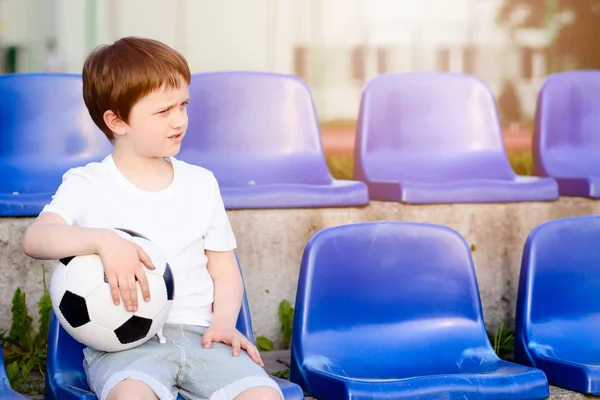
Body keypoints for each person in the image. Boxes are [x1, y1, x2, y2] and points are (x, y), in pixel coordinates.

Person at [22, 37, 283, 400]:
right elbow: (35, 239)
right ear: (117, 120)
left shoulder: (201, 183)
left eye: (183, 105)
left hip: (203, 338)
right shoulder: (87, 184)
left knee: (264, 396)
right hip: (125, 348)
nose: (179, 120)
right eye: (163, 112)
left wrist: (223, 323)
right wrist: (104, 240)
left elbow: (223, 269)